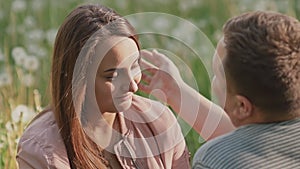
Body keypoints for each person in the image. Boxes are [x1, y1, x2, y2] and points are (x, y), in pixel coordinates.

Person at [16, 4, 190, 169]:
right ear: (77, 79)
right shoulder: (41, 150)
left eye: (135, 65)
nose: (132, 86)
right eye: (113, 75)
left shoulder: (159, 122)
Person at [139, 11, 300, 168]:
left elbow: (235, 149)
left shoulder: (213, 161)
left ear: (242, 106)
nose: (213, 79)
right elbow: (248, 140)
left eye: (216, 74)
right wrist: (174, 90)